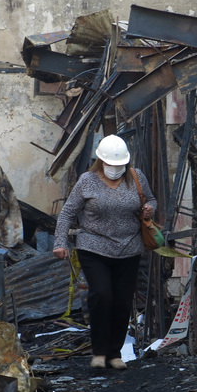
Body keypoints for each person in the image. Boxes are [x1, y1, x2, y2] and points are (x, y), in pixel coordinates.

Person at [53, 134, 157, 370]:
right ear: (101, 161)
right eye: (111, 165)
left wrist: (150, 208)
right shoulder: (87, 181)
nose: (115, 169)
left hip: (129, 249)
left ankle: (114, 353)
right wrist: (60, 242)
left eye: (119, 165)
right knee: (102, 295)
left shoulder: (135, 177)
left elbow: (151, 199)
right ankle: (99, 352)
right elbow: (68, 213)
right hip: (94, 247)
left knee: (121, 302)